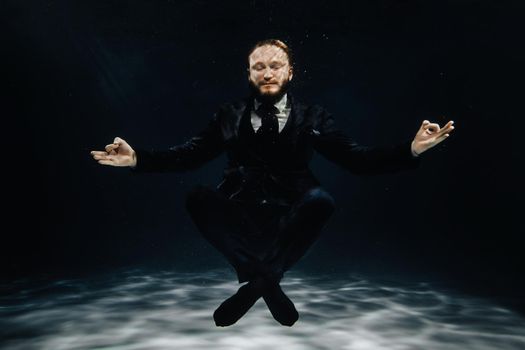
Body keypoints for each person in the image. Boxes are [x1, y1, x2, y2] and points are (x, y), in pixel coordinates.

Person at [90, 39, 455, 327]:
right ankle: (265, 280)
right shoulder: (229, 115)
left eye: (275, 65)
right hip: (240, 212)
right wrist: (137, 158)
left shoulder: (313, 116)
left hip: (292, 217)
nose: (267, 72)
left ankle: (256, 284)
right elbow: (189, 155)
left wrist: (411, 149)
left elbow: (356, 159)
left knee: (322, 200)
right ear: (248, 74)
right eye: (259, 67)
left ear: (291, 72)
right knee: (197, 196)